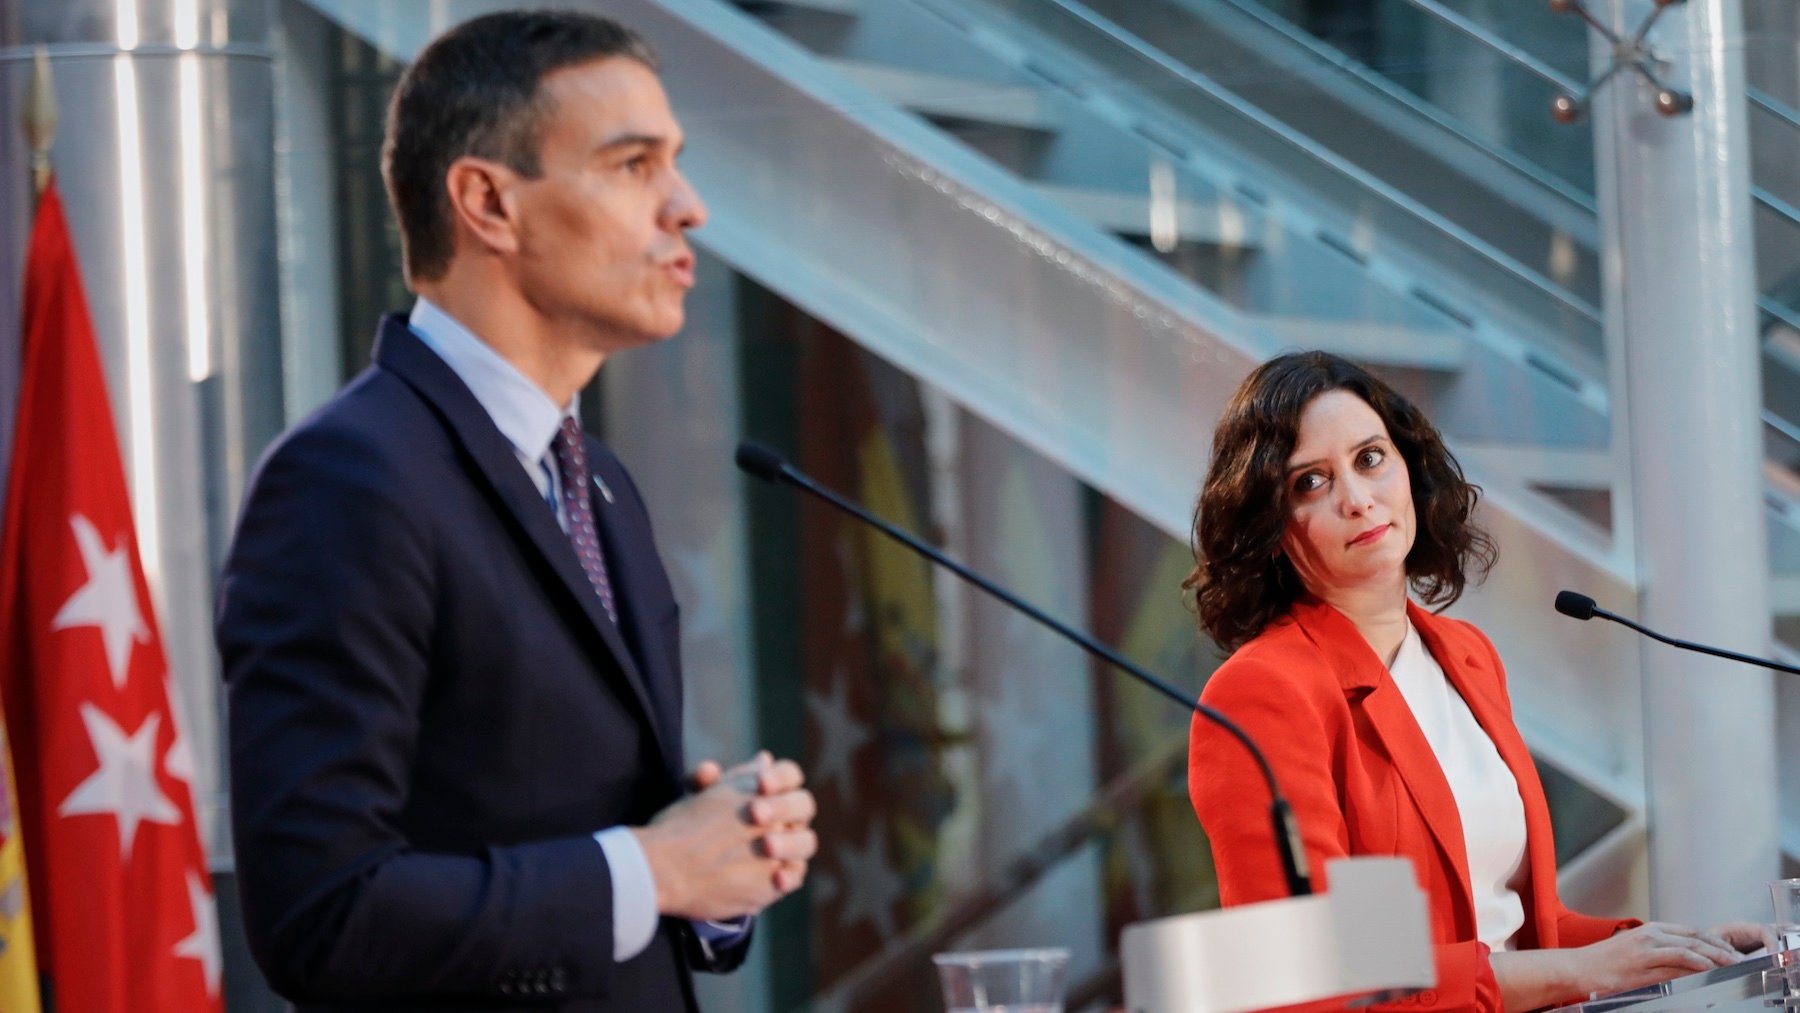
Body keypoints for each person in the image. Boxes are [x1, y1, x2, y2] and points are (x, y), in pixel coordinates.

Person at [215, 11, 816, 1010]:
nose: (689, 207)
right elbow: (321, 912)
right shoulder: (344, 481)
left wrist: (716, 861)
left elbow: (583, 831)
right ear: (487, 201)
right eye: (633, 165)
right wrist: (654, 866)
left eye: (675, 162)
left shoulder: (601, 483)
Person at [1184, 351, 1761, 1011]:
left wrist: (1681, 950)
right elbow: (1312, 976)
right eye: (1310, 482)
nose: (1357, 498)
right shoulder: (1263, 692)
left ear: (1408, 466)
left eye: (1370, 458)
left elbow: (1515, 931)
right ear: (1272, 527)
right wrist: (1581, 971)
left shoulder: (1464, 653)